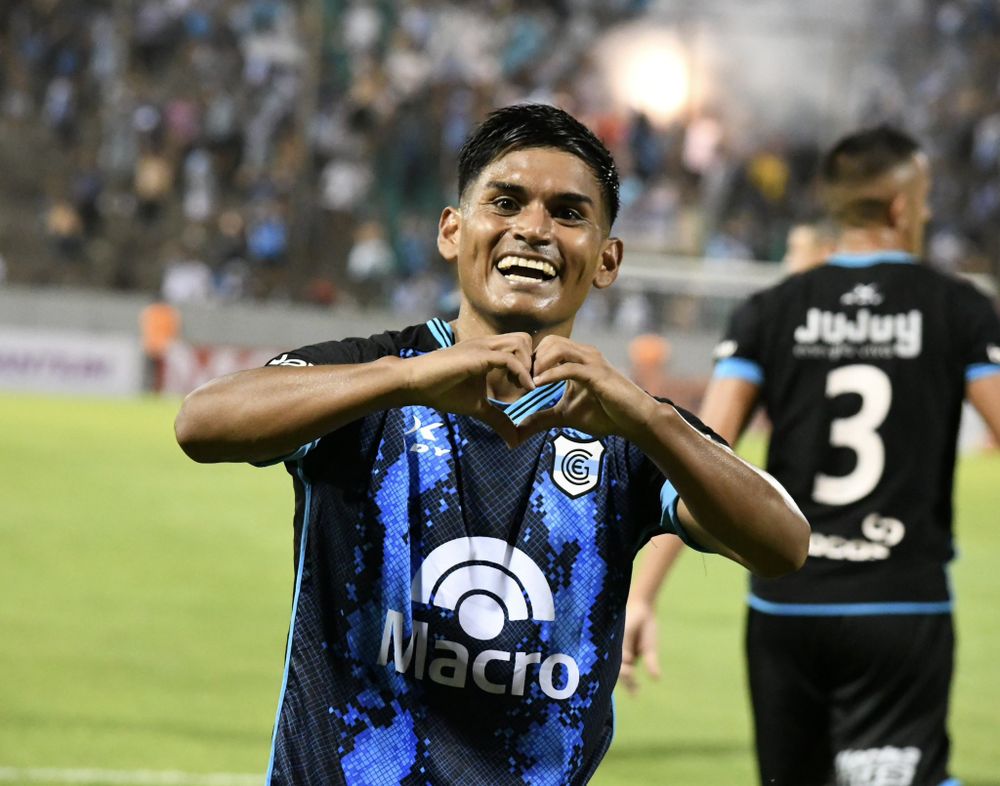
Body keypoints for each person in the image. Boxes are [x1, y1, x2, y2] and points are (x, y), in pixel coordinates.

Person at [174, 103, 809, 786]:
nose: (533, 229)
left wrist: (653, 422)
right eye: (506, 201)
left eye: (568, 213)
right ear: (453, 231)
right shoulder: (371, 380)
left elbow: (784, 544)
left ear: (607, 260)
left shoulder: (623, 429)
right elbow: (202, 423)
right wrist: (411, 379)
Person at [622, 125, 1000, 785]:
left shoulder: (771, 311)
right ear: (902, 206)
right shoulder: (958, 307)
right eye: (927, 199)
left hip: (786, 608)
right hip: (898, 605)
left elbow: (701, 459)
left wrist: (643, 594)